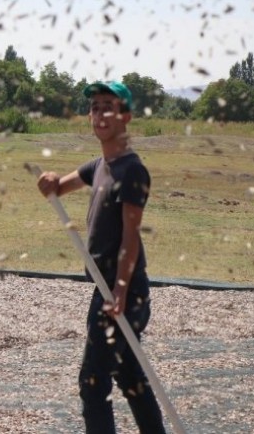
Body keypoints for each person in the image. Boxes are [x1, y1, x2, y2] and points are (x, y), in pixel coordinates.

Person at [37, 81, 166, 434]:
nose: (99, 114)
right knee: (129, 375)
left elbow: (130, 236)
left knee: (93, 384)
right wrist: (50, 180)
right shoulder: (100, 166)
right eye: (94, 107)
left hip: (121, 291)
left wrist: (121, 292)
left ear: (125, 115)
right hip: (108, 289)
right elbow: (60, 186)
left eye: (108, 105)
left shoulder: (131, 171)